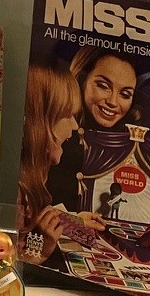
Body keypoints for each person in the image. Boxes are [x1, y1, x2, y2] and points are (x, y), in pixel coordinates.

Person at [47, 46, 141, 211]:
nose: (113, 101)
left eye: (125, 94)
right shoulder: (55, 135)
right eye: (103, 86)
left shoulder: (131, 147)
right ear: (82, 80)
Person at [18, 61, 82, 264]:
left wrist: (72, 222)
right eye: (67, 115)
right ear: (39, 122)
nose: (74, 126)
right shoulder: (16, 192)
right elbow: (12, 265)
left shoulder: (28, 179)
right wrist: (40, 250)